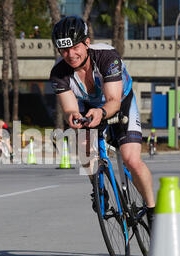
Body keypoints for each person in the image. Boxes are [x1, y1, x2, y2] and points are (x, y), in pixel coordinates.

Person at [49, 15, 155, 229]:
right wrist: (73, 117)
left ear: (87, 42)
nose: (70, 55)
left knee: (131, 160)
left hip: (120, 102)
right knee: (82, 145)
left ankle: (153, 212)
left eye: (75, 47)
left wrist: (101, 112)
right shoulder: (59, 74)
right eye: (64, 50)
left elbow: (114, 101)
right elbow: (70, 107)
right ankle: (99, 188)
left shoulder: (107, 57)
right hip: (90, 106)